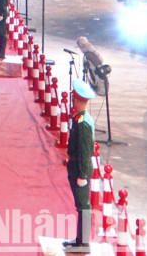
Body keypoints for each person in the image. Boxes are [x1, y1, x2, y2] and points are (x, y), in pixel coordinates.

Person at [63, 79, 95, 252]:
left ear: (76, 100)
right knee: (81, 205)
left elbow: (84, 151)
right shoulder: (83, 119)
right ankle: (79, 240)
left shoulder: (82, 124)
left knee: (83, 206)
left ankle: (83, 244)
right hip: (77, 165)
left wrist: (82, 175)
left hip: (79, 167)